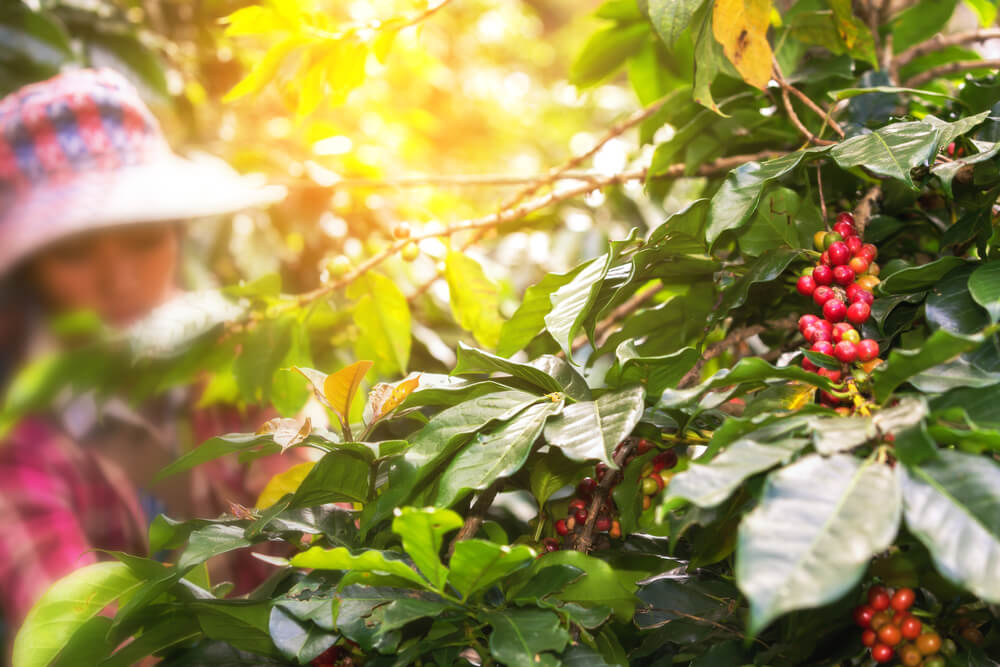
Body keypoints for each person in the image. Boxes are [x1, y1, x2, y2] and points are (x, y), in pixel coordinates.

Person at [0, 68, 295, 655]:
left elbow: (322, 526)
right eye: (74, 252)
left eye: (144, 239)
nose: (121, 280)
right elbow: (92, 642)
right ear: (29, 273)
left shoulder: (238, 357)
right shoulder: (18, 441)